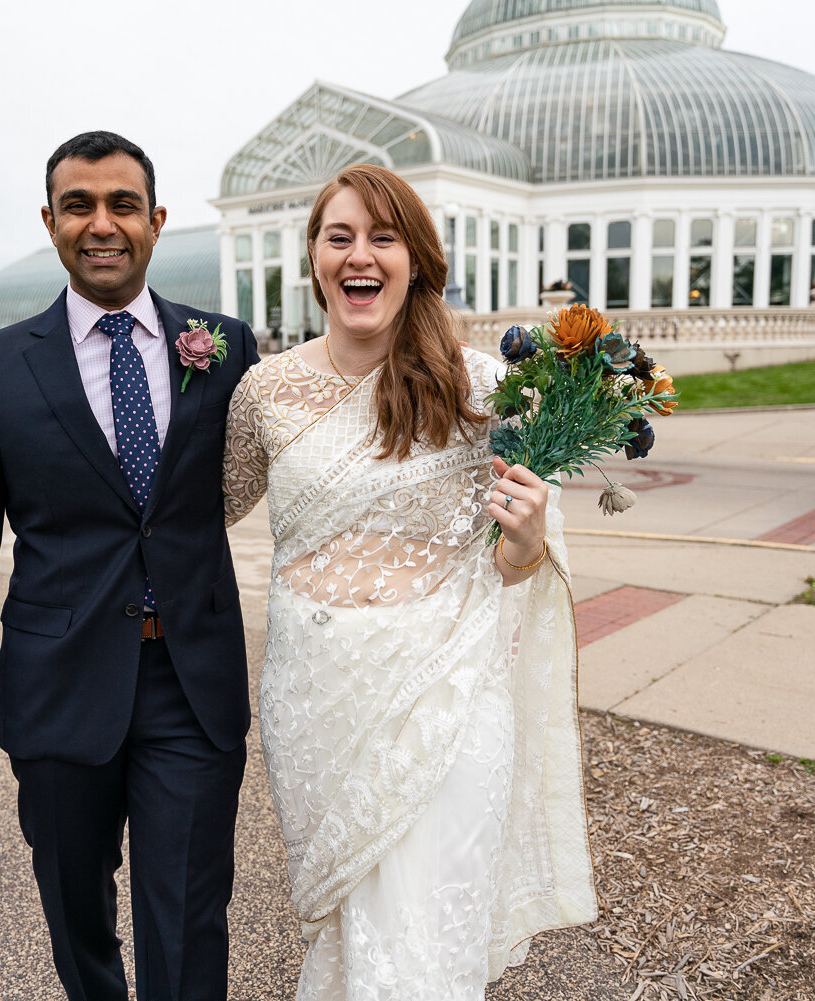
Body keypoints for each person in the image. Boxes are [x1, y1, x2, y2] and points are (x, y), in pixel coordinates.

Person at [222, 164, 596, 999]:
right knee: (358, 928)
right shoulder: (265, 391)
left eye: (383, 237)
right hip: (315, 702)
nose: (361, 255)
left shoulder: (483, 389)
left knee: (427, 934)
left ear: (416, 258)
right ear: (315, 259)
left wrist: (530, 539)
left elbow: (514, 563)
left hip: (450, 695)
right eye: (340, 236)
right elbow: (190, 522)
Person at [0, 131, 260, 1001]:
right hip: (58, 684)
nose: (101, 223)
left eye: (122, 204)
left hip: (192, 680)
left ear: (156, 221)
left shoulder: (226, 349)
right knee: (76, 913)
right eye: (79, 205)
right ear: (51, 222)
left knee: (188, 914)